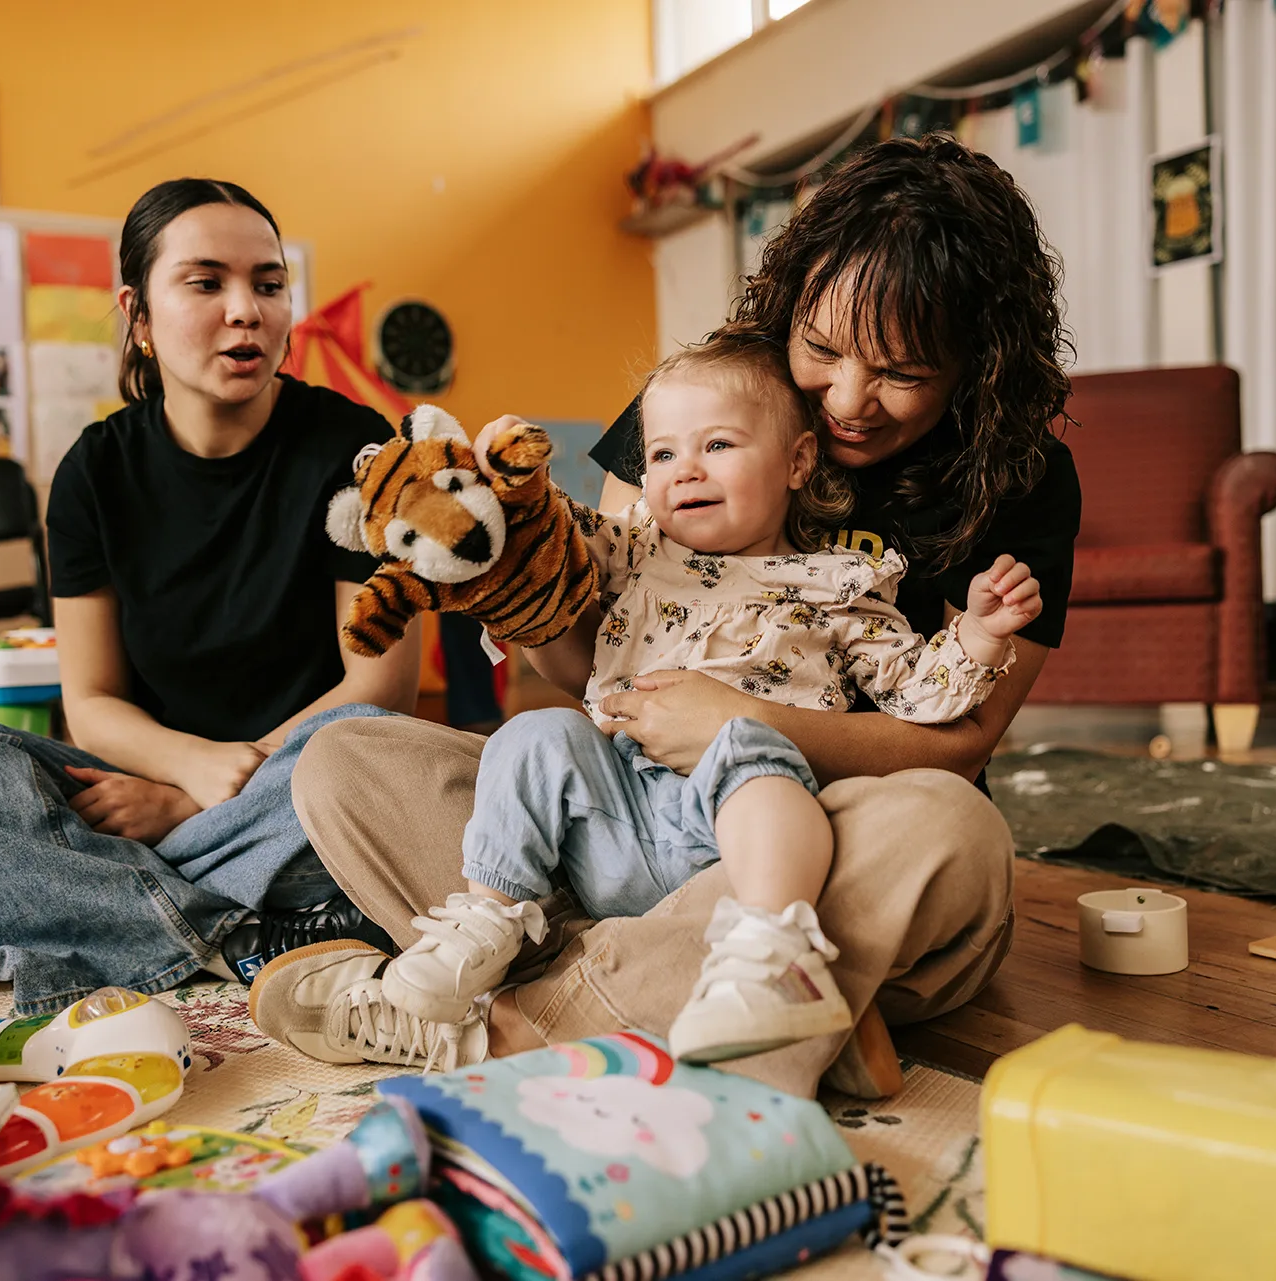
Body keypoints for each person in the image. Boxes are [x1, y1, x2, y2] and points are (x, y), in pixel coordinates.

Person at [250, 134, 1083, 1099]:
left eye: (902, 373)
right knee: (347, 755)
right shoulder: (704, 402)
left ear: (975, 369)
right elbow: (589, 667)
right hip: (629, 817)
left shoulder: (1017, 478)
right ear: (790, 313)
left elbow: (959, 741)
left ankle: (513, 1024)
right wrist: (509, 582)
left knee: (952, 833)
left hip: (814, 832)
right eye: (821, 349)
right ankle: (759, 1004)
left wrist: (749, 727)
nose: (849, 400)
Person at [326, 337, 1040, 1068]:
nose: (683, 471)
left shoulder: (841, 584)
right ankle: (491, 922)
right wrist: (483, 499)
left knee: (756, 748)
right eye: (662, 455)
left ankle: (762, 956)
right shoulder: (637, 549)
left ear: (797, 462)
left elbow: (920, 693)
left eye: (718, 445)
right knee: (523, 734)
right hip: (615, 826)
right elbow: (550, 532)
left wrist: (979, 633)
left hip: (744, 844)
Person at [0, 178, 419, 1015]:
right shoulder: (93, 472)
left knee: (381, 755)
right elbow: (93, 702)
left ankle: (65, 911)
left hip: (300, 782)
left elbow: (377, 690)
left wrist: (197, 798)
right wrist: (183, 766)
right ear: (137, 314)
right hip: (141, 780)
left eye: (269, 283)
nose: (246, 310)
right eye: (207, 282)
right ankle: (239, 932)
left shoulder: (356, 447)